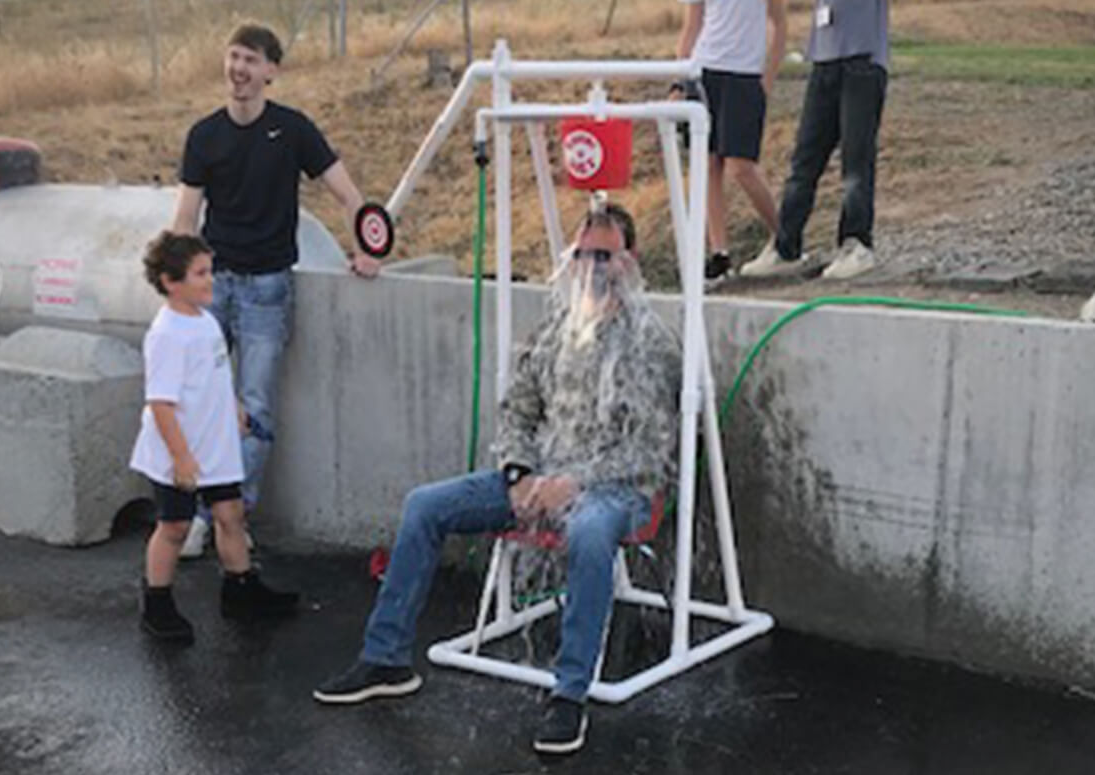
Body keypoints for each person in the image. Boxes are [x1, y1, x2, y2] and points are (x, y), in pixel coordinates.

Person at [314, 205, 682, 756]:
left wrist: (574, 483)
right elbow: (517, 411)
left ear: (630, 261)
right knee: (424, 506)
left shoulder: (650, 342)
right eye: (582, 254)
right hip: (541, 477)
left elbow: (649, 449)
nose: (591, 266)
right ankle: (385, 659)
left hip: (615, 489)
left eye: (604, 255)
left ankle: (568, 695)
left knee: (587, 534)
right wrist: (519, 473)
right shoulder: (560, 327)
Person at [171, 23, 383, 558]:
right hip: (213, 287)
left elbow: (346, 192)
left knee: (256, 408)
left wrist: (368, 246)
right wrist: (177, 285)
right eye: (234, 56)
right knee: (200, 402)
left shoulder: (292, 131)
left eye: (251, 60)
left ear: (271, 72)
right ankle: (199, 516)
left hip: (268, 288)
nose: (240, 69)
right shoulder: (205, 135)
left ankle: (233, 520)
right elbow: (185, 217)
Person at [131, 232, 299, 644]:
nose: (211, 280)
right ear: (172, 282)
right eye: (201, 274)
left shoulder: (205, 322)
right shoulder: (168, 335)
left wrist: (236, 411)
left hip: (215, 444)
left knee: (230, 515)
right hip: (181, 451)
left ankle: (241, 590)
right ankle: (157, 603)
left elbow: (217, 376)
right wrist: (182, 458)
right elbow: (162, 404)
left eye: (211, 270)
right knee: (173, 526)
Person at [740, 0, 890, 281]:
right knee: (804, 162)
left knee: (855, 164)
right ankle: (786, 247)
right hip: (824, 61)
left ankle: (856, 244)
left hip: (863, 60)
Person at [673, 0, 787, 286]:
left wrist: (768, 79)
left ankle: (786, 237)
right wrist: (680, 81)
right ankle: (719, 253)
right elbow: (692, 25)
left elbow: (779, 23)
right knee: (709, 164)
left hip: (744, 75)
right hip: (704, 71)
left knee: (741, 167)